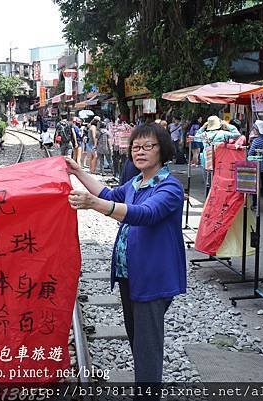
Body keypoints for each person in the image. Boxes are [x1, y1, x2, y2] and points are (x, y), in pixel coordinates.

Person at [66, 123, 186, 388]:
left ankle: (147, 394)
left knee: (147, 347)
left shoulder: (170, 188)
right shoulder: (135, 183)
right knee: (137, 339)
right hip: (129, 275)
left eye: (147, 146)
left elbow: (146, 214)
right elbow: (108, 194)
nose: (139, 152)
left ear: (162, 150)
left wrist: (95, 205)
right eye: (135, 147)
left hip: (152, 277)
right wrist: (78, 172)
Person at [189, 115, 241, 196]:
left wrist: (203, 127)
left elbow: (196, 137)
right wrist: (227, 125)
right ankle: (217, 199)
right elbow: (237, 134)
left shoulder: (204, 135)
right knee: (219, 182)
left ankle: (209, 200)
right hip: (220, 161)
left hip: (207, 162)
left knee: (208, 183)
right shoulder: (223, 133)